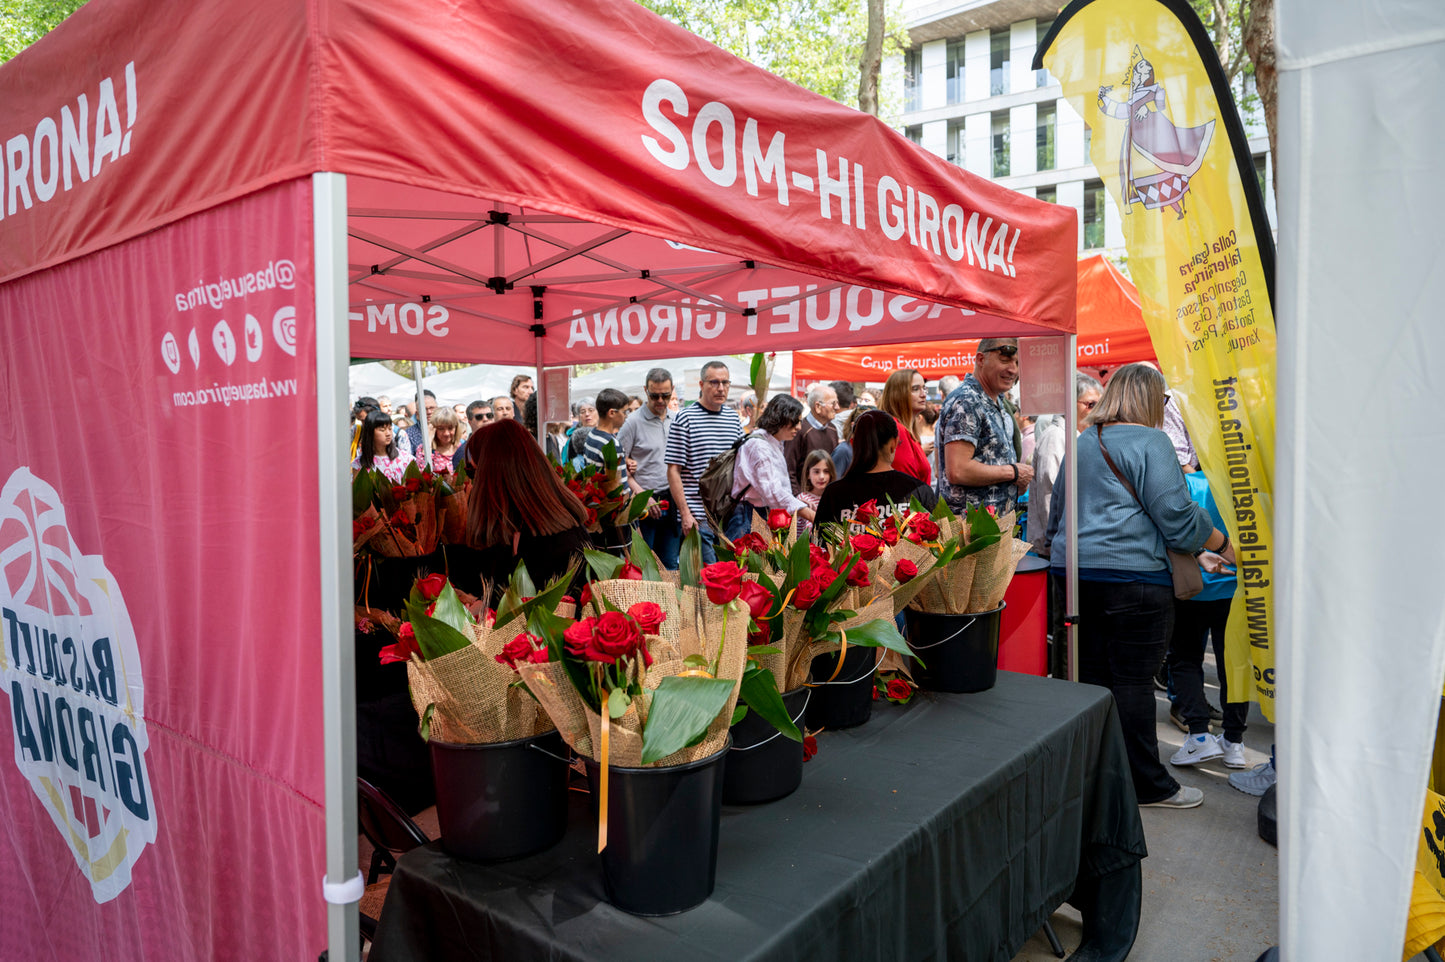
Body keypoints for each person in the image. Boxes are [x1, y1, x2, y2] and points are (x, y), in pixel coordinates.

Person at [1047, 363, 1235, 810]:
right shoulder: (1153, 442)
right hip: (1134, 583)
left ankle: (1093, 777)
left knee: (1090, 682)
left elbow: (1057, 514)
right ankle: (1148, 785)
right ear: (1151, 398)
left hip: (1074, 575)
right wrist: (1222, 543)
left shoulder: (1082, 442)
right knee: (1133, 685)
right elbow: (1177, 516)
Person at [1165, 471, 1250, 769]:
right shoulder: (1243, 485)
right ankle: (1234, 742)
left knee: (1185, 660)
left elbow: (1176, 525)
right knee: (1234, 666)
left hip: (1193, 587)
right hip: (1235, 590)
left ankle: (1199, 736)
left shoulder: (1188, 483)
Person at [461, 419, 593, 603]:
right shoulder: (515, 528)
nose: (471, 484)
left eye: (473, 472)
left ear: (494, 475)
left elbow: (540, 615)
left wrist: (483, 607)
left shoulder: (558, 544)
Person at [935, 338, 1032, 517]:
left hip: (992, 529)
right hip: (970, 535)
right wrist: (1014, 472)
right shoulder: (967, 401)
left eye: (1017, 363)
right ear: (981, 360)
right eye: (1005, 360)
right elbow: (958, 470)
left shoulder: (996, 401)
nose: (1013, 369)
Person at [665, 359, 746, 563]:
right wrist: (685, 514)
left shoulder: (733, 418)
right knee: (709, 580)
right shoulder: (684, 418)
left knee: (734, 576)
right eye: (714, 382)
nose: (721, 388)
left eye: (725, 383)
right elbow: (673, 470)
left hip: (731, 515)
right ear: (701, 385)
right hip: (699, 517)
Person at [815, 410, 938, 532]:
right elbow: (937, 540)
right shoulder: (919, 491)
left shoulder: (834, 494)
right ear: (894, 443)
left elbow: (819, 545)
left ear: (853, 444)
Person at [1028, 372, 1103, 556]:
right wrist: (1060, 545)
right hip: (1059, 551)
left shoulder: (1081, 436)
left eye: (1100, 406)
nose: (1097, 412)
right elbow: (1050, 497)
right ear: (1069, 403)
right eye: (1090, 405)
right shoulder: (1056, 437)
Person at [616, 368, 680, 569]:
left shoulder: (677, 419)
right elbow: (619, 468)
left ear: (673, 391)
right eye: (654, 395)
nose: (660, 400)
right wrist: (642, 496)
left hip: (672, 502)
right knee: (644, 566)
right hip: (643, 503)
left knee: (670, 563)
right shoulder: (632, 423)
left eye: (666, 395)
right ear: (646, 391)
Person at [733, 394, 815, 525]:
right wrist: (809, 514)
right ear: (781, 419)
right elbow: (773, 491)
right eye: (795, 421)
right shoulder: (759, 445)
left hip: (760, 512)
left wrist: (798, 503)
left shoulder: (773, 442)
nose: (799, 427)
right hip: (749, 516)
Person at [878, 369, 933, 486]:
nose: (923, 394)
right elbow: (905, 482)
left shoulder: (908, 430)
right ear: (898, 394)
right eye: (915, 389)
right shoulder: (895, 428)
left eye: (924, 388)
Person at [784, 384, 839, 493]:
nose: (837, 408)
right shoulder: (799, 430)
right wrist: (799, 499)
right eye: (833, 403)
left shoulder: (833, 429)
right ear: (818, 406)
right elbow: (789, 469)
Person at [352, 409, 414, 482]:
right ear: (370, 432)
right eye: (382, 430)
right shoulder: (359, 463)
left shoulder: (405, 458)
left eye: (390, 429)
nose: (388, 433)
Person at [582, 389, 631, 482]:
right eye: (624, 412)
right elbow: (620, 486)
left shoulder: (591, 435)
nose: (626, 416)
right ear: (612, 413)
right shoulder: (611, 444)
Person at [797, 450, 836, 530]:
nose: (821, 476)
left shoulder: (834, 499)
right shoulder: (802, 499)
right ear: (808, 474)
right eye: (816, 472)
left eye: (826, 471)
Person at [455, 400, 494, 472]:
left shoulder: (505, 444)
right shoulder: (464, 451)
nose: (485, 419)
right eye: (479, 417)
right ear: (470, 422)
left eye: (489, 416)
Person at [422, 406, 462, 474]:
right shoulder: (424, 449)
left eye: (450, 428)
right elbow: (423, 472)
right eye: (441, 428)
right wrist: (429, 439)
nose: (446, 433)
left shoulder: (462, 448)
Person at [403, 390, 438, 457]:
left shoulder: (446, 429)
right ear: (417, 414)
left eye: (432, 408)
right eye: (424, 409)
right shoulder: (409, 434)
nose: (429, 412)